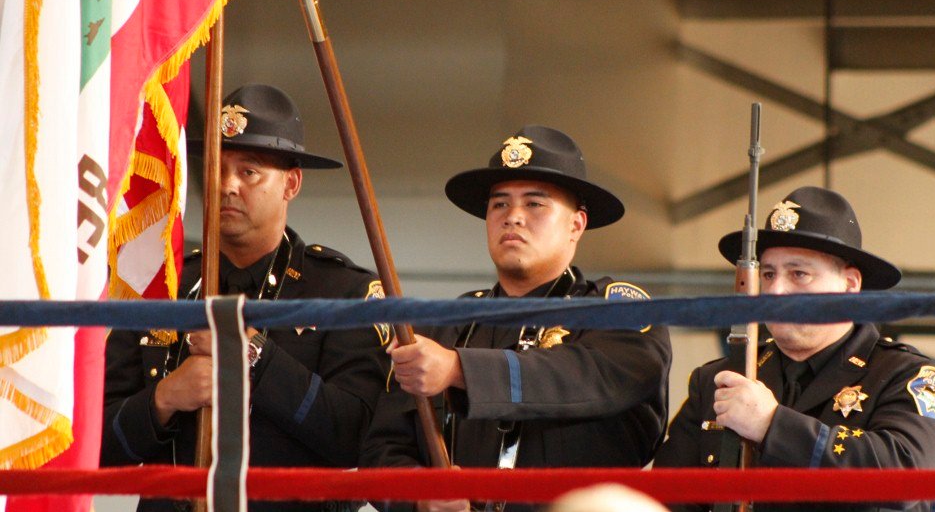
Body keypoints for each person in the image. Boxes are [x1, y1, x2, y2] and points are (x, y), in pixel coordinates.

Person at [101, 84, 390, 512]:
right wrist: (163, 399)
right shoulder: (164, 285)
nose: (227, 186)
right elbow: (95, 444)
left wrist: (254, 356)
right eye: (217, 168)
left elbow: (356, 438)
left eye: (249, 172)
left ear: (291, 183)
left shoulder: (343, 292)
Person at [360, 125, 672, 512]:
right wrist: (422, 498)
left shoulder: (619, 312)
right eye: (499, 204)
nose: (513, 217)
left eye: (535, 203)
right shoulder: (440, 328)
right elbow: (381, 453)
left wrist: (458, 369)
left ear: (576, 224)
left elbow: (581, 377)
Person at [655, 186, 935, 512]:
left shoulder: (906, 376)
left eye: (799, 274)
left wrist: (772, 424)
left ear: (850, 285)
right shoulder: (720, 379)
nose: (776, 290)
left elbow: (906, 477)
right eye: (768, 274)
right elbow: (666, 498)